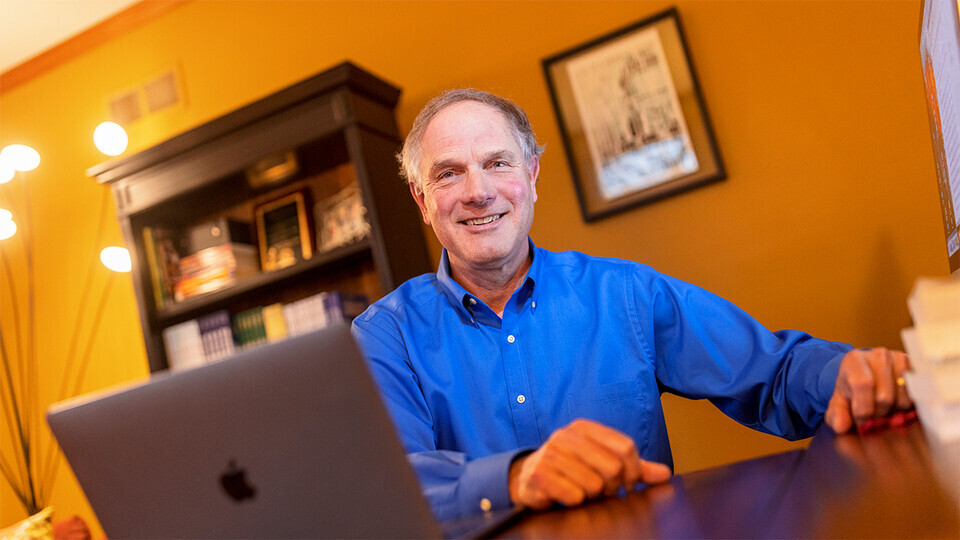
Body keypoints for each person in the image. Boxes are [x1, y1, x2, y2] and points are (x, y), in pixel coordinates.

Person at [350, 89, 913, 521]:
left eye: (498, 163)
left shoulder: (626, 293)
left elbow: (773, 371)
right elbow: (389, 486)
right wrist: (516, 478)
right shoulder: (382, 337)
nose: (478, 190)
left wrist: (845, 374)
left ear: (532, 177)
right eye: (449, 173)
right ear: (423, 202)